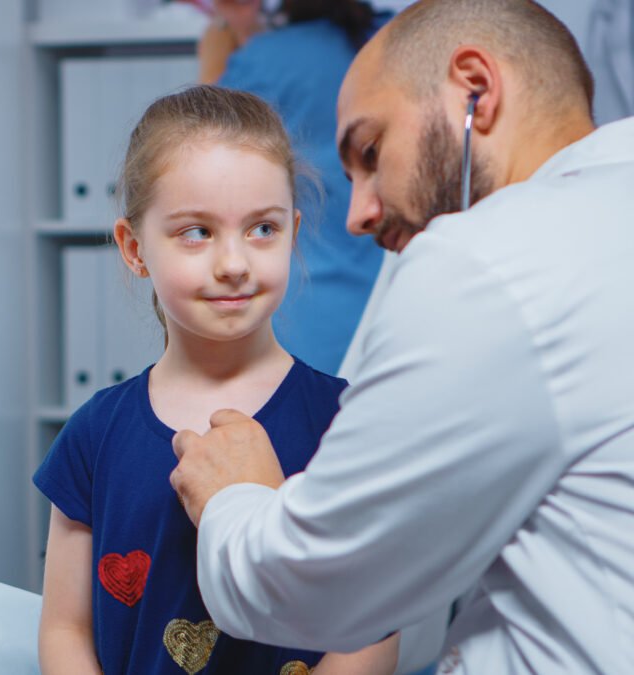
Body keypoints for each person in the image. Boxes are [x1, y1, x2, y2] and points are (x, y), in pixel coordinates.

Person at [169, 1, 634, 672]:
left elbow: (313, 587)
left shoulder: (487, 257)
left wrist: (235, 496)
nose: (358, 214)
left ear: (476, 87)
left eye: (371, 151)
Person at [34, 85, 397, 675]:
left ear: (294, 231)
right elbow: (65, 628)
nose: (234, 263)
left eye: (262, 229)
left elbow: (370, 633)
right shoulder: (94, 435)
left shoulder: (346, 424)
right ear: (134, 248)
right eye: (196, 232)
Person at [198, 0, 389, 375]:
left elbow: (197, 158)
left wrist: (217, 55)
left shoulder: (264, 59)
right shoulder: (390, 45)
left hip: (301, 314)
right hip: (387, 300)